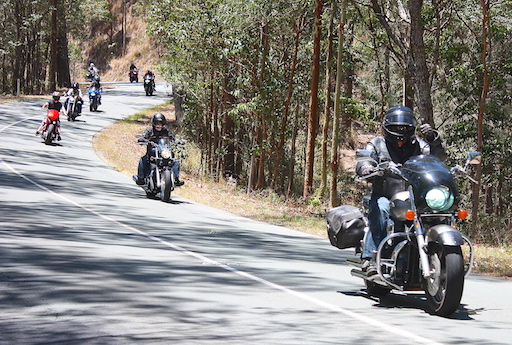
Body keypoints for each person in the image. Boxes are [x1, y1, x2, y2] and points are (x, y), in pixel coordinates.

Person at [355, 106, 446, 275]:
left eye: (405, 128)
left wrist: (433, 139)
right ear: (387, 128)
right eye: (396, 128)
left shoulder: (421, 145)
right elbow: (364, 159)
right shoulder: (376, 143)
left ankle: (439, 255)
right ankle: (371, 259)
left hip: (415, 198)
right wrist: (366, 167)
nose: (400, 132)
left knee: (435, 214)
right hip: (385, 194)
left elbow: (438, 160)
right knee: (381, 209)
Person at [133, 113, 184, 186]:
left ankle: (176, 179)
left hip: (164, 152)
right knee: (143, 159)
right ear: (153, 123)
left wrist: (177, 141)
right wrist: (142, 139)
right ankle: (141, 178)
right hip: (152, 152)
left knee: (175, 161)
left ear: (163, 124)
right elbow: (144, 136)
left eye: (160, 123)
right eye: (157, 123)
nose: (158, 125)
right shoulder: (150, 131)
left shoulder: (166, 132)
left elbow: (173, 138)